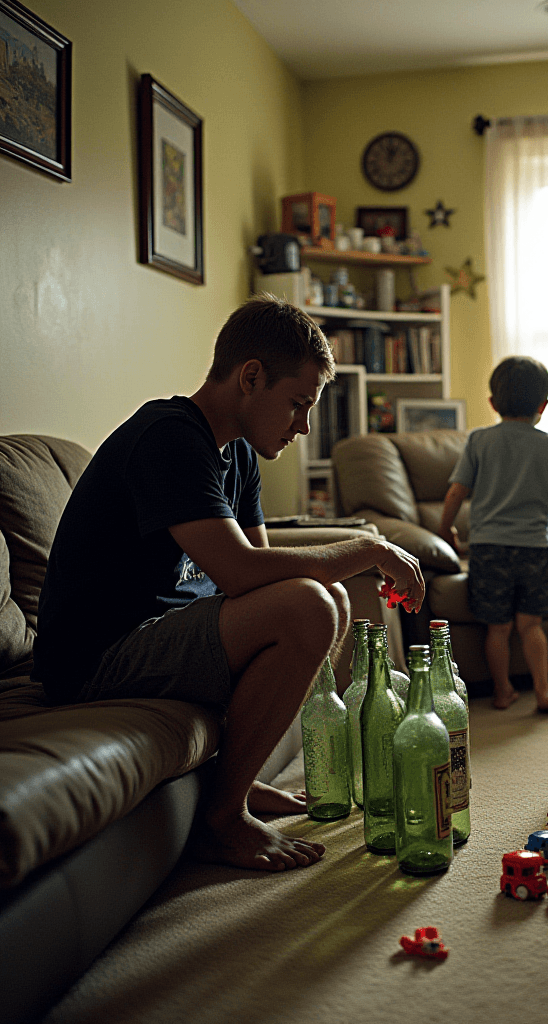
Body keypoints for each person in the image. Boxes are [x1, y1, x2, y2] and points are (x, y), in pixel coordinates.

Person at [32, 296, 425, 872]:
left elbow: (260, 569)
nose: (304, 426)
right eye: (297, 404)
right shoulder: (167, 436)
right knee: (311, 605)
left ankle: (229, 784)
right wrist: (368, 548)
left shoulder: (236, 452)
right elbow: (241, 572)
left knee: (325, 598)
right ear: (250, 377)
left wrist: (352, 561)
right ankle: (223, 817)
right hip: (95, 658)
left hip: (154, 636)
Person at [437, 356, 548, 711]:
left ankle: (502, 690)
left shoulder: (478, 441)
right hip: (535, 550)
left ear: (492, 403)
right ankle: (542, 691)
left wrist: (447, 531)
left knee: (498, 629)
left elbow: (456, 492)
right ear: (543, 405)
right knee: (531, 625)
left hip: (489, 551)